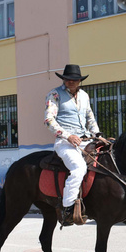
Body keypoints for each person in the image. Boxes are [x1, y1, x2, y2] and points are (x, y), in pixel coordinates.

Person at [44, 64, 102, 225]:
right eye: (68, 79)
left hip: (86, 141)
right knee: (79, 168)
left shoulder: (84, 95)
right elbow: (49, 120)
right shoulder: (55, 94)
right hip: (65, 143)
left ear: (79, 81)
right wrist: (68, 136)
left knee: (106, 162)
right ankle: (67, 209)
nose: (72, 82)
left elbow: (90, 118)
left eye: (75, 79)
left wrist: (97, 135)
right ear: (64, 79)